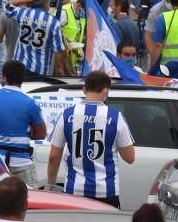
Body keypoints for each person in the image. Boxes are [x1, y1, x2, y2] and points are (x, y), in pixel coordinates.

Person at [47, 71, 136, 208]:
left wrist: (51, 185)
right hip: (106, 192)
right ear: (106, 91)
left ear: (84, 89)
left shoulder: (67, 115)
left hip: (74, 190)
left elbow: (54, 157)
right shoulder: (116, 117)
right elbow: (130, 158)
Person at [0, 61, 46, 184]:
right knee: (30, 200)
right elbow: (41, 134)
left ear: (4, 77)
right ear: (22, 79)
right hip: (21, 161)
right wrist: (28, 133)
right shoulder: (29, 103)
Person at [2, 0, 66, 76]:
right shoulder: (53, 22)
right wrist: (60, 69)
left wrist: (24, 0)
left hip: (18, 67)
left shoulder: (22, 13)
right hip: (39, 70)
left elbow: (7, 6)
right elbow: (58, 49)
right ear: (46, 4)